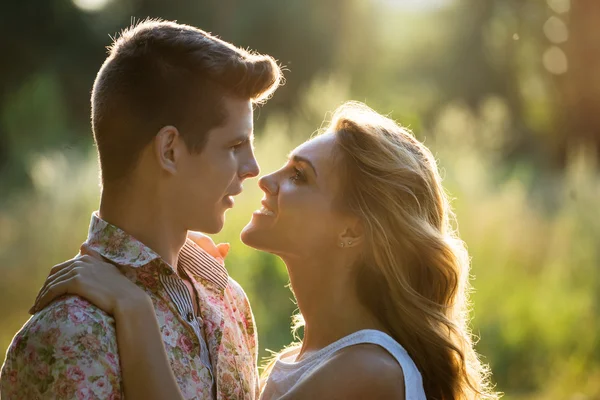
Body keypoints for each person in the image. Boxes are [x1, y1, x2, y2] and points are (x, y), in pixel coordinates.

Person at [26, 102, 499, 399]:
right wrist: (177, 263)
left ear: (352, 232)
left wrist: (134, 307)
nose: (265, 179)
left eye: (300, 177)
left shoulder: (367, 372)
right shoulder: (304, 358)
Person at [0, 19, 282, 400]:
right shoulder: (72, 333)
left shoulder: (226, 299)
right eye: (235, 146)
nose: (253, 168)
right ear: (169, 150)